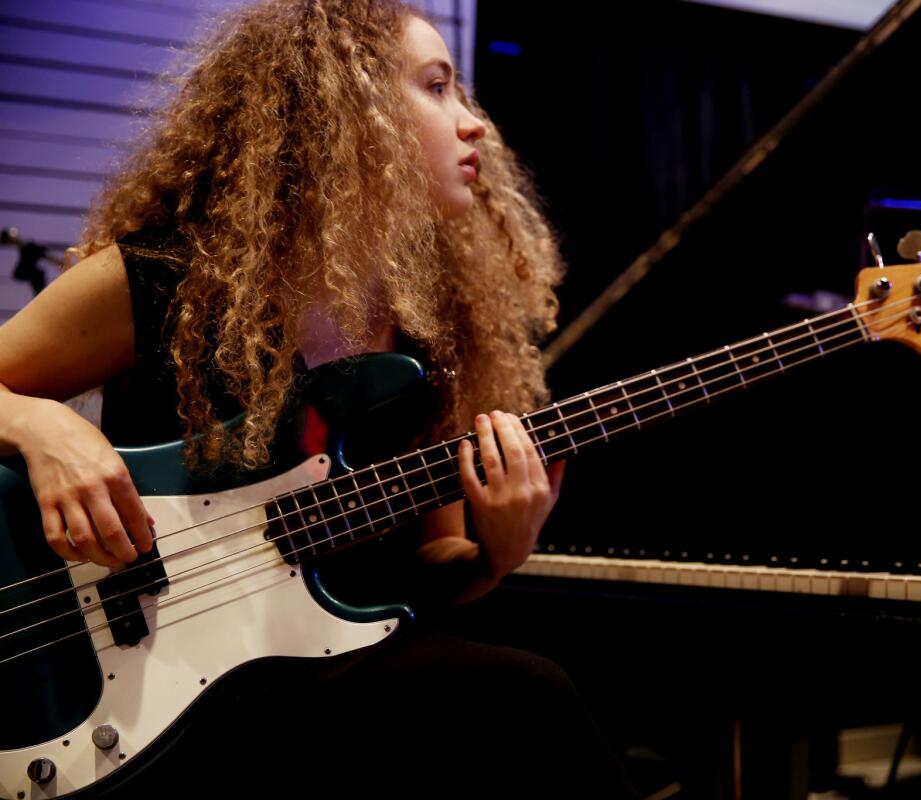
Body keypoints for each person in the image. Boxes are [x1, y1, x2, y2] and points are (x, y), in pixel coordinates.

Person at [0, 1, 636, 796]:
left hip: (296, 671)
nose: (475, 125)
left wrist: (495, 552)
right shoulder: (170, 276)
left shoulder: (421, 328)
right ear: (345, 110)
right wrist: (40, 426)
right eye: (437, 88)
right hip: (144, 691)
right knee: (523, 696)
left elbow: (421, 566)